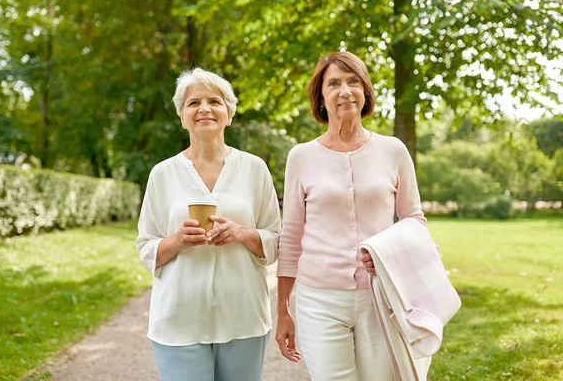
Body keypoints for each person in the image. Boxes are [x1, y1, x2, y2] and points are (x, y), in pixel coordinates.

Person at [275, 51, 427, 380]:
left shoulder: (393, 151)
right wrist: (282, 308)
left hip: (380, 295)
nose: (345, 91)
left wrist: (386, 252)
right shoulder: (301, 156)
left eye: (353, 81)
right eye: (334, 83)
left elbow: (414, 219)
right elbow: (290, 236)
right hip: (319, 299)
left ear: (365, 92)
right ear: (321, 97)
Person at [136, 68, 281, 381]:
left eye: (214, 101)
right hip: (179, 320)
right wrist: (177, 240)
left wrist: (243, 233)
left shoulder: (254, 169)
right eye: (194, 103)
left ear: (228, 114)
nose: (204, 109)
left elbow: (275, 240)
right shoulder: (163, 173)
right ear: (182, 116)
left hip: (243, 316)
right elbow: (146, 246)